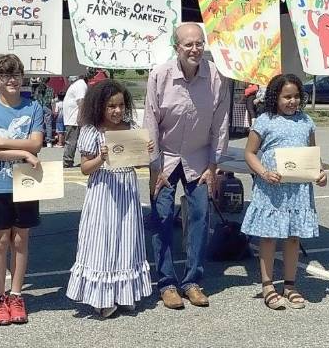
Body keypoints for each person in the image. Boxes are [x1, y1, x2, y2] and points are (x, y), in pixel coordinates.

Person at [144, 22, 230, 309]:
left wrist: (214, 163)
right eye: (188, 44)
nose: (195, 49)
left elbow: (220, 124)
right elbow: (151, 122)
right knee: (163, 218)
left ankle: (192, 280)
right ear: (176, 47)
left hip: (199, 159)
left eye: (199, 43)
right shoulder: (160, 75)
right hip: (166, 159)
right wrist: (154, 167)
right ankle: (167, 283)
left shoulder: (216, 77)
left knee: (199, 220)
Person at [66, 79, 153, 318]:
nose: (117, 111)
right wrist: (101, 159)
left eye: (121, 106)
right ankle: (101, 298)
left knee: (127, 240)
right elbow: (85, 168)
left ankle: (125, 293)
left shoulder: (131, 127)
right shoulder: (91, 130)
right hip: (102, 192)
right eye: (111, 106)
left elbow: (140, 163)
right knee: (100, 242)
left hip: (126, 191)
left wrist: (145, 151)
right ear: (100, 107)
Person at [241, 74, 327, 310]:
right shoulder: (264, 120)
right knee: (268, 237)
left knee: (293, 236)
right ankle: (268, 285)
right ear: (275, 97)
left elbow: (313, 154)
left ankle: (290, 285)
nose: (292, 101)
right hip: (271, 188)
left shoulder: (306, 121)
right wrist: (263, 173)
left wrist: (320, 173)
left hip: (298, 190)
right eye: (287, 97)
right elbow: (249, 153)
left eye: (296, 96)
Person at [0, 54, 44, 326]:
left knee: (20, 241)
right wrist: (22, 152)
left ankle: (16, 295)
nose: (12, 79)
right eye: (5, 76)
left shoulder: (34, 107)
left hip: (25, 184)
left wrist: (1, 143)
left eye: (16, 74)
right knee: (0, 242)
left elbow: (36, 144)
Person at [62, 70, 96, 168]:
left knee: (72, 141)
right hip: (73, 119)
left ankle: (68, 162)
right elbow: (81, 102)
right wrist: (80, 117)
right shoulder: (80, 85)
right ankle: (68, 161)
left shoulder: (79, 84)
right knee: (72, 141)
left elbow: (81, 101)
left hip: (73, 119)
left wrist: (79, 117)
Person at [33, 77, 54, 147]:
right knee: (49, 124)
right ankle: (49, 142)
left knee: (39, 124)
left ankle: (40, 141)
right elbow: (52, 98)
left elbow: (35, 98)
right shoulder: (51, 89)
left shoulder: (38, 88)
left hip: (39, 106)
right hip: (47, 106)